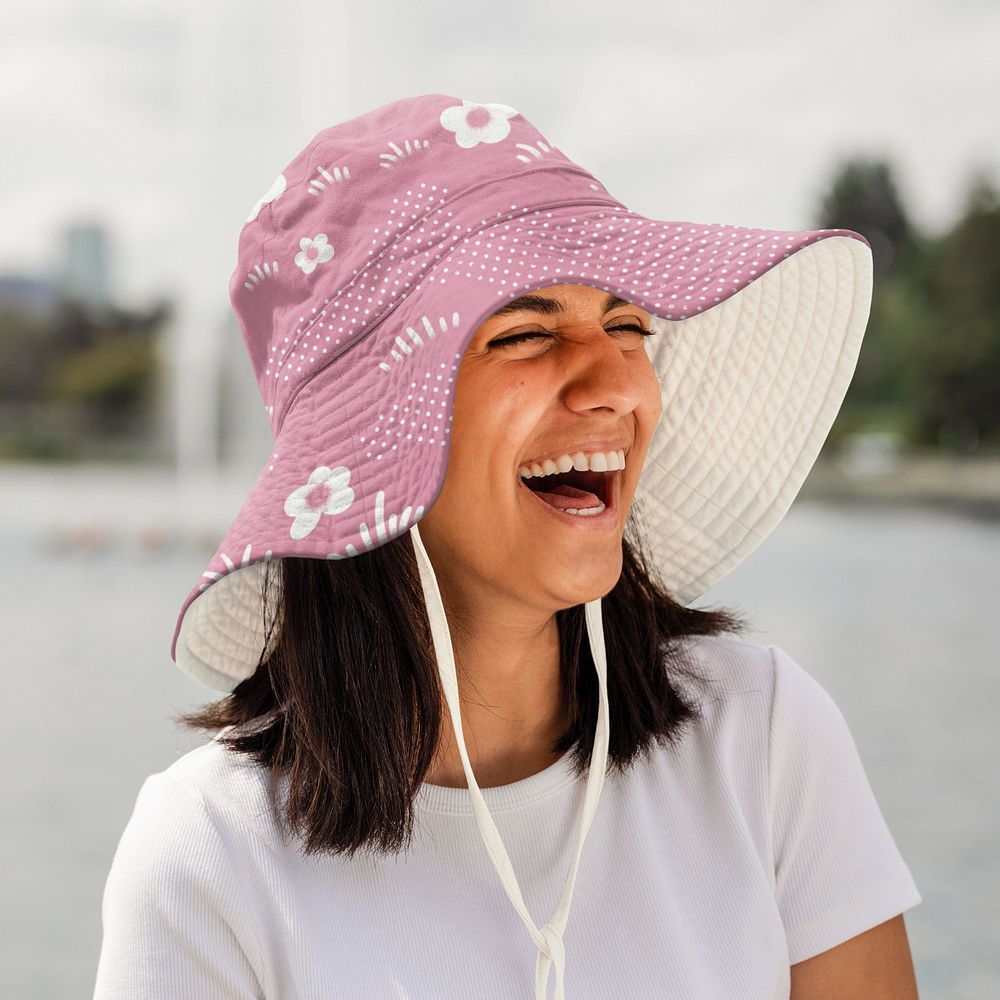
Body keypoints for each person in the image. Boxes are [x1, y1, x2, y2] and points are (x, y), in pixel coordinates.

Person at [94, 94, 922, 999]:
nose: (617, 385)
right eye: (525, 333)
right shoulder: (211, 859)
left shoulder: (760, 741)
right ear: (365, 446)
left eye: (629, 325)